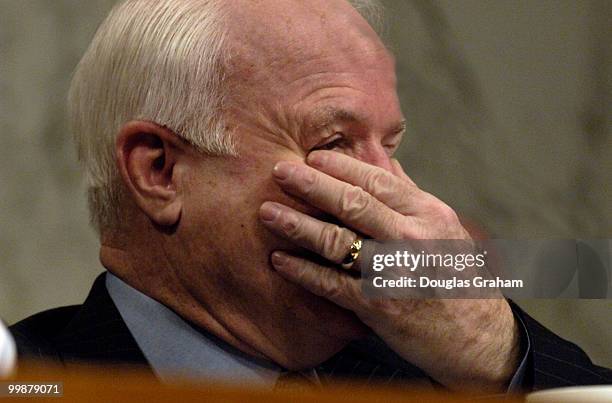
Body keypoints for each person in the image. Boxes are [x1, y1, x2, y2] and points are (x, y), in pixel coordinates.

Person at [9, 0, 611, 393]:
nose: (397, 196)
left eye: (390, 147)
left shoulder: (452, 379)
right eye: (335, 142)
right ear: (161, 171)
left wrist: (493, 350)